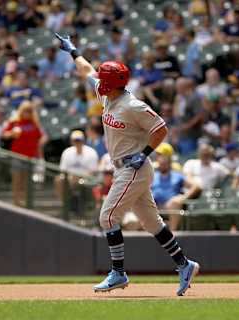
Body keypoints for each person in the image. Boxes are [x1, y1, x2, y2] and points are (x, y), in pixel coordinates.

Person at [56, 33, 199, 295]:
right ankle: (184, 264)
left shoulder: (133, 105)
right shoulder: (108, 96)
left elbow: (160, 128)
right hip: (125, 167)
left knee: (108, 216)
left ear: (111, 83)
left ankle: (118, 273)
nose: (99, 82)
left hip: (133, 167)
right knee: (151, 222)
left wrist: (144, 153)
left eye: (103, 79)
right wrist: (73, 51)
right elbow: (86, 69)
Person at [1, 100, 46, 206]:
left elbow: (41, 137)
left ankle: (26, 202)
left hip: (30, 156)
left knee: (27, 182)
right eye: (25, 111)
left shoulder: (34, 123)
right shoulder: (14, 122)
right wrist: (12, 133)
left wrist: (39, 151)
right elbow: (3, 134)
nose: (27, 113)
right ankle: (16, 201)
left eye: (30, 111)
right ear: (21, 111)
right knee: (17, 180)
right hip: (17, 155)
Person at [153, 154, 200, 230]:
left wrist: (184, 197)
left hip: (170, 205)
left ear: (170, 164)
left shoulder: (177, 176)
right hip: (153, 205)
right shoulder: (153, 176)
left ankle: (172, 234)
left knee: (174, 203)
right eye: (161, 164)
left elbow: (196, 187)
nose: (162, 166)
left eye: (165, 164)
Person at [55, 130, 99, 199]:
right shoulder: (67, 152)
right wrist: (71, 176)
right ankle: (64, 202)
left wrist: (80, 177)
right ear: (71, 141)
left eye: (79, 140)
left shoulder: (91, 152)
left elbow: (93, 171)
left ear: (83, 141)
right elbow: (63, 170)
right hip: (70, 177)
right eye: (75, 140)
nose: (77, 142)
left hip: (86, 178)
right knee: (58, 179)